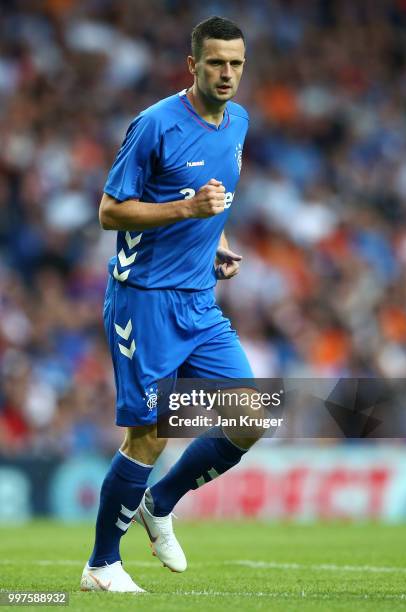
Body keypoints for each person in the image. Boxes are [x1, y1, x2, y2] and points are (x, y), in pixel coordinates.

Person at [81, 15, 260, 593]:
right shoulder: (156, 124)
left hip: (198, 302)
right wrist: (187, 211)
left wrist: (220, 245)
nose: (227, 73)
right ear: (193, 65)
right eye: (216, 62)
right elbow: (109, 210)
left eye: (235, 63)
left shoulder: (239, 122)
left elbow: (217, 199)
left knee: (249, 416)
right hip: (144, 301)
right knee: (151, 432)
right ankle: (102, 564)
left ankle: (160, 501)